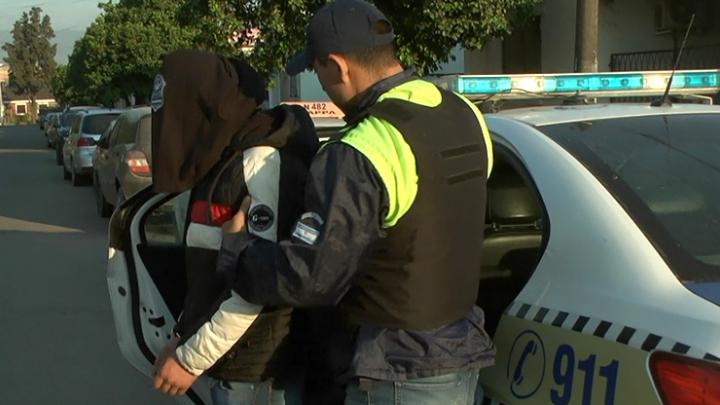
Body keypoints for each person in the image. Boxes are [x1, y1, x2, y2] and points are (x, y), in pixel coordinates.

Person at [221, 0, 496, 403]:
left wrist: (239, 253)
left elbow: (312, 276)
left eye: (316, 69)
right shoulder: (464, 113)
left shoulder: (361, 149)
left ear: (337, 66)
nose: (322, 84)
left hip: (397, 372)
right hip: (461, 352)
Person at [149, 49, 318, 404]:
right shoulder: (224, 158)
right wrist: (181, 336)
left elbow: (258, 286)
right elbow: (213, 275)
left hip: (256, 372)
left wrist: (189, 359)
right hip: (229, 363)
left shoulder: (260, 160)